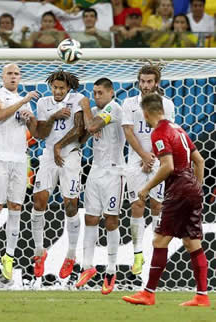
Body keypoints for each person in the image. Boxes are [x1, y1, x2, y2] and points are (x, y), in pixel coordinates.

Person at [122, 93, 210, 307]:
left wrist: (146, 188)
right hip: (190, 188)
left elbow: (168, 166)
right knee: (192, 242)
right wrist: (196, 187)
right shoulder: (178, 129)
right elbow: (199, 160)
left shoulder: (159, 133)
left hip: (178, 191)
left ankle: (149, 293)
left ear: (145, 113)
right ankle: (202, 295)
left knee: (159, 240)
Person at [0, 64, 39, 280]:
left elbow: (33, 132)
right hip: (0, 157)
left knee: (16, 207)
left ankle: (9, 256)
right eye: (10, 74)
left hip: (20, 159)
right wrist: (23, 102)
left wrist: (29, 118)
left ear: (20, 77)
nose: (13, 77)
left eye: (16, 74)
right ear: (3, 76)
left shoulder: (25, 101)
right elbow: (1, 115)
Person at [31, 70, 88, 279]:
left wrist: (60, 146)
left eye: (61, 88)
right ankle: (39, 252)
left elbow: (80, 129)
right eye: (54, 87)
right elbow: (41, 134)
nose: (57, 91)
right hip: (48, 155)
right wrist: (53, 116)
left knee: (71, 205)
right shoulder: (43, 103)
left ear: (68, 89)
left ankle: (71, 255)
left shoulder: (78, 100)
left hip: (70, 155)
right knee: (39, 201)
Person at [121, 65, 175, 276]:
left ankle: (156, 254)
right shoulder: (129, 103)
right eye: (142, 81)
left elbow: (166, 132)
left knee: (157, 205)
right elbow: (128, 131)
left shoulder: (167, 104)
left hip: (160, 160)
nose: (145, 85)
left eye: (149, 81)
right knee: (137, 205)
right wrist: (144, 155)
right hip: (136, 160)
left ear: (157, 82)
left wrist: (152, 157)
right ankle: (137, 254)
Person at [75, 78, 125, 294]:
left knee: (111, 219)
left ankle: (111, 270)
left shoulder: (114, 108)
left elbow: (93, 125)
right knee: (90, 217)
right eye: (94, 93)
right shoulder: (94, 110)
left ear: (111, 93)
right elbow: (84, 134)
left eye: (100, 92)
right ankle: (87, 267)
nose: (96, 96)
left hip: (114, 172)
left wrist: (85, 109)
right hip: (96, 170)